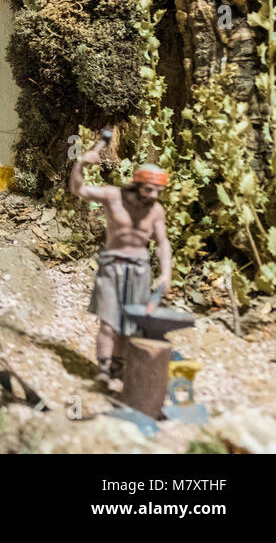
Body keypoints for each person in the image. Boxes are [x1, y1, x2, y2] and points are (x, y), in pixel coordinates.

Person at [70, 143, 172, 387]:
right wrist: (82, 163)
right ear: (137, 186)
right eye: (149, 189)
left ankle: (118, 365)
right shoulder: (113, 196)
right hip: (112, 265)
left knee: (130, 322)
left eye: (158, 190)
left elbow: (162, 242)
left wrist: (166, 273)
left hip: (139, 270)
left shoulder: (156, 210)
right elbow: (78, 189)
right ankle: (103, 368)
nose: (154, 195)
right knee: (108, 321)